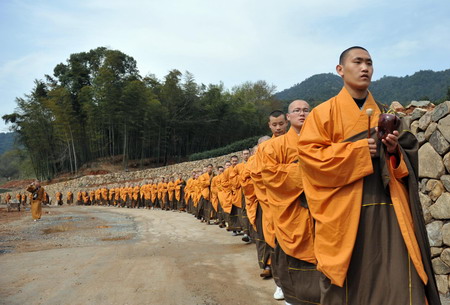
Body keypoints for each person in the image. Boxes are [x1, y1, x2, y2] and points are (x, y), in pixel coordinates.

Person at [298, 46, 440, 305]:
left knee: (398, 276)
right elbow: (310, 160)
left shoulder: (389, 115)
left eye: (369, 63)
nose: (365, 68)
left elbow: (409, 157)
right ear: (340, 70)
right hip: (344, 211)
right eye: (358, 62)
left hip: (390, 208)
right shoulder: (322, 114)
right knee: (350, 282)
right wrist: (358, 151)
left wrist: (394, 150)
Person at [262, 100, 320, 304]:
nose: (301, 114)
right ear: (289, 117)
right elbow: (268, 175)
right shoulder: (274, 146)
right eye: (296, 110)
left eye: (305, 110)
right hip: (291, 208)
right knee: (292, 252)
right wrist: (303, 169)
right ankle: (292, 296)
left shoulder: (322, 139)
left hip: (320, 207)